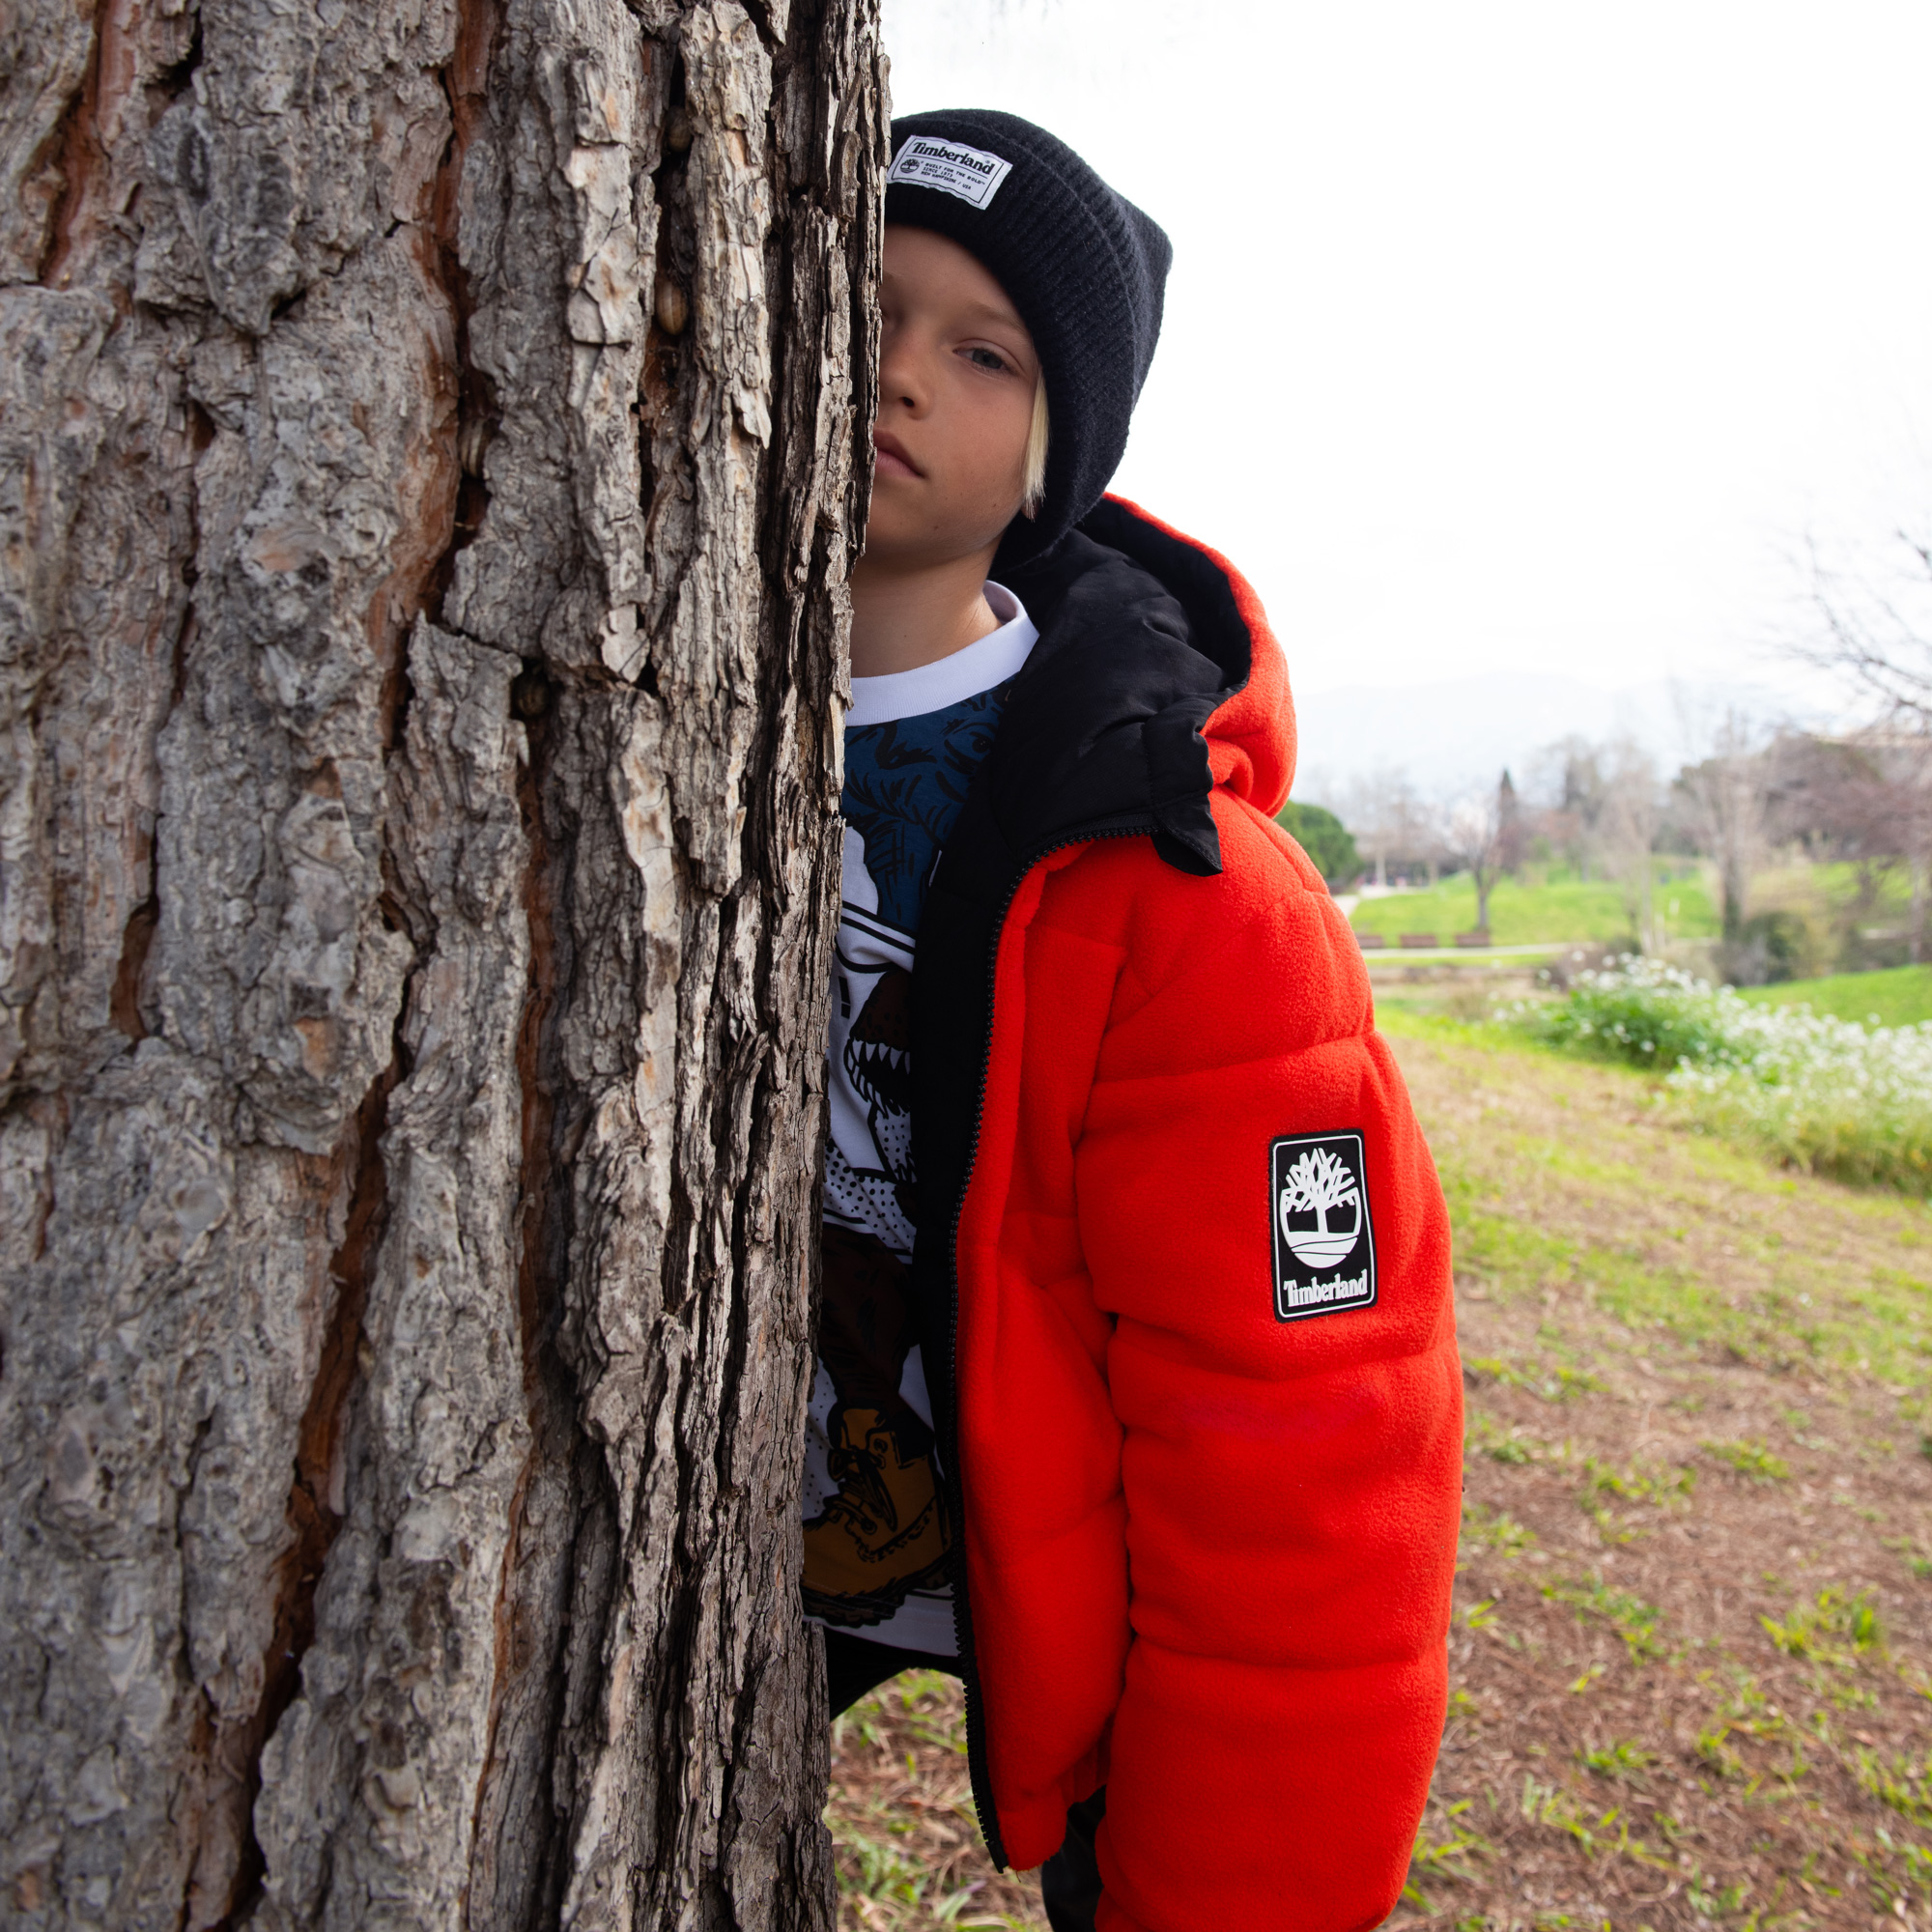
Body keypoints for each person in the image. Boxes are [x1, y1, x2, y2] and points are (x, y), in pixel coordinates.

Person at [804, 108, 1463, 1932]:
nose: (898, 372)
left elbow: (1302, 1472)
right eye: (864, 305)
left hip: (991, 1556)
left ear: (1056, 460)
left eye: (984, 350)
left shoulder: (1180, 886)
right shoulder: (612, 721)